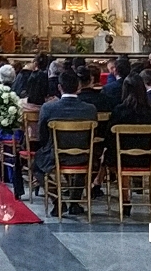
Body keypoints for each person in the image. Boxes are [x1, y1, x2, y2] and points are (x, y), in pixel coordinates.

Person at [32, 69, 97, 214]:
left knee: (36, 166)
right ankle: (75, 201)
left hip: (56, 155)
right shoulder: (90, 109)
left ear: (59, 87)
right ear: (79, 87)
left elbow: (42, 135)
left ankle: (57, 200)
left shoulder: (48, 108)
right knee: (88, 161)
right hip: (83, 155)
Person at [108, 77, 151, 217]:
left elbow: (110, 136)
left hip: (122, 158)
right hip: (146, 158)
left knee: (114, 156)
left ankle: (125, 199)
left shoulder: (119, 110)